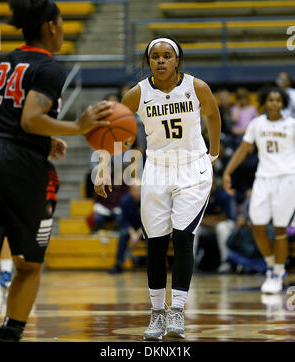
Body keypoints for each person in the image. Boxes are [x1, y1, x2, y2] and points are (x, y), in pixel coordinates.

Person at [0, 0, 112, 342]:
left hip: (2, 150)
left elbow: (10, 119)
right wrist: (76, 125)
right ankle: (11, 335)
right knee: (29, 263)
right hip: (19, 168)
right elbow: (31, 118)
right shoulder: (49, 68)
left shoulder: (6, 62)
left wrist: (45, 142)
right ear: (52, 26)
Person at [95, 36, 221, 340]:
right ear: (149, 61)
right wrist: (102, 169)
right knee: (155, 243)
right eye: (155, 57)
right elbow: (116, 132)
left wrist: (213, 154)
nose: (161, 61)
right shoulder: (136, 94)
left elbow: (214, 116)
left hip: (192, 168)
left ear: (177, 60)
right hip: (157, 169)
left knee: (182, 236)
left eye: (167, 56)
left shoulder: (197, 87)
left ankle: (177, 309)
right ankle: (156, 314)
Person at [223, 86, 295, 294]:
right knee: (256, 225)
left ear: (283, 103)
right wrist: (228, 171)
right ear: (264, 102)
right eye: (271, 100)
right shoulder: (257, 124)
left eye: (278, 100)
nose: (274, 103)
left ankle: (276, 272)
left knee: (280, 228)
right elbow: (243, 150)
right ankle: (272, 265)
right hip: (263, 179)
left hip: (287, 179)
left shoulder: (291, 124)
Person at [109, 183, 143, 274]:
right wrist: (133, 234)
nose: (138, 192)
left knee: (152, 236)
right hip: (130, 228)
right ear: (130, 191)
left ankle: (151, 264)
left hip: (143, 228)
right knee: (123, 234)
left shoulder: (147, 201)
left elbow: (148, 220)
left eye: (140, 189)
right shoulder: (125, 201)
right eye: (135, 190)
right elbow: (123, 220)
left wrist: (138, 234)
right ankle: (118, 264)